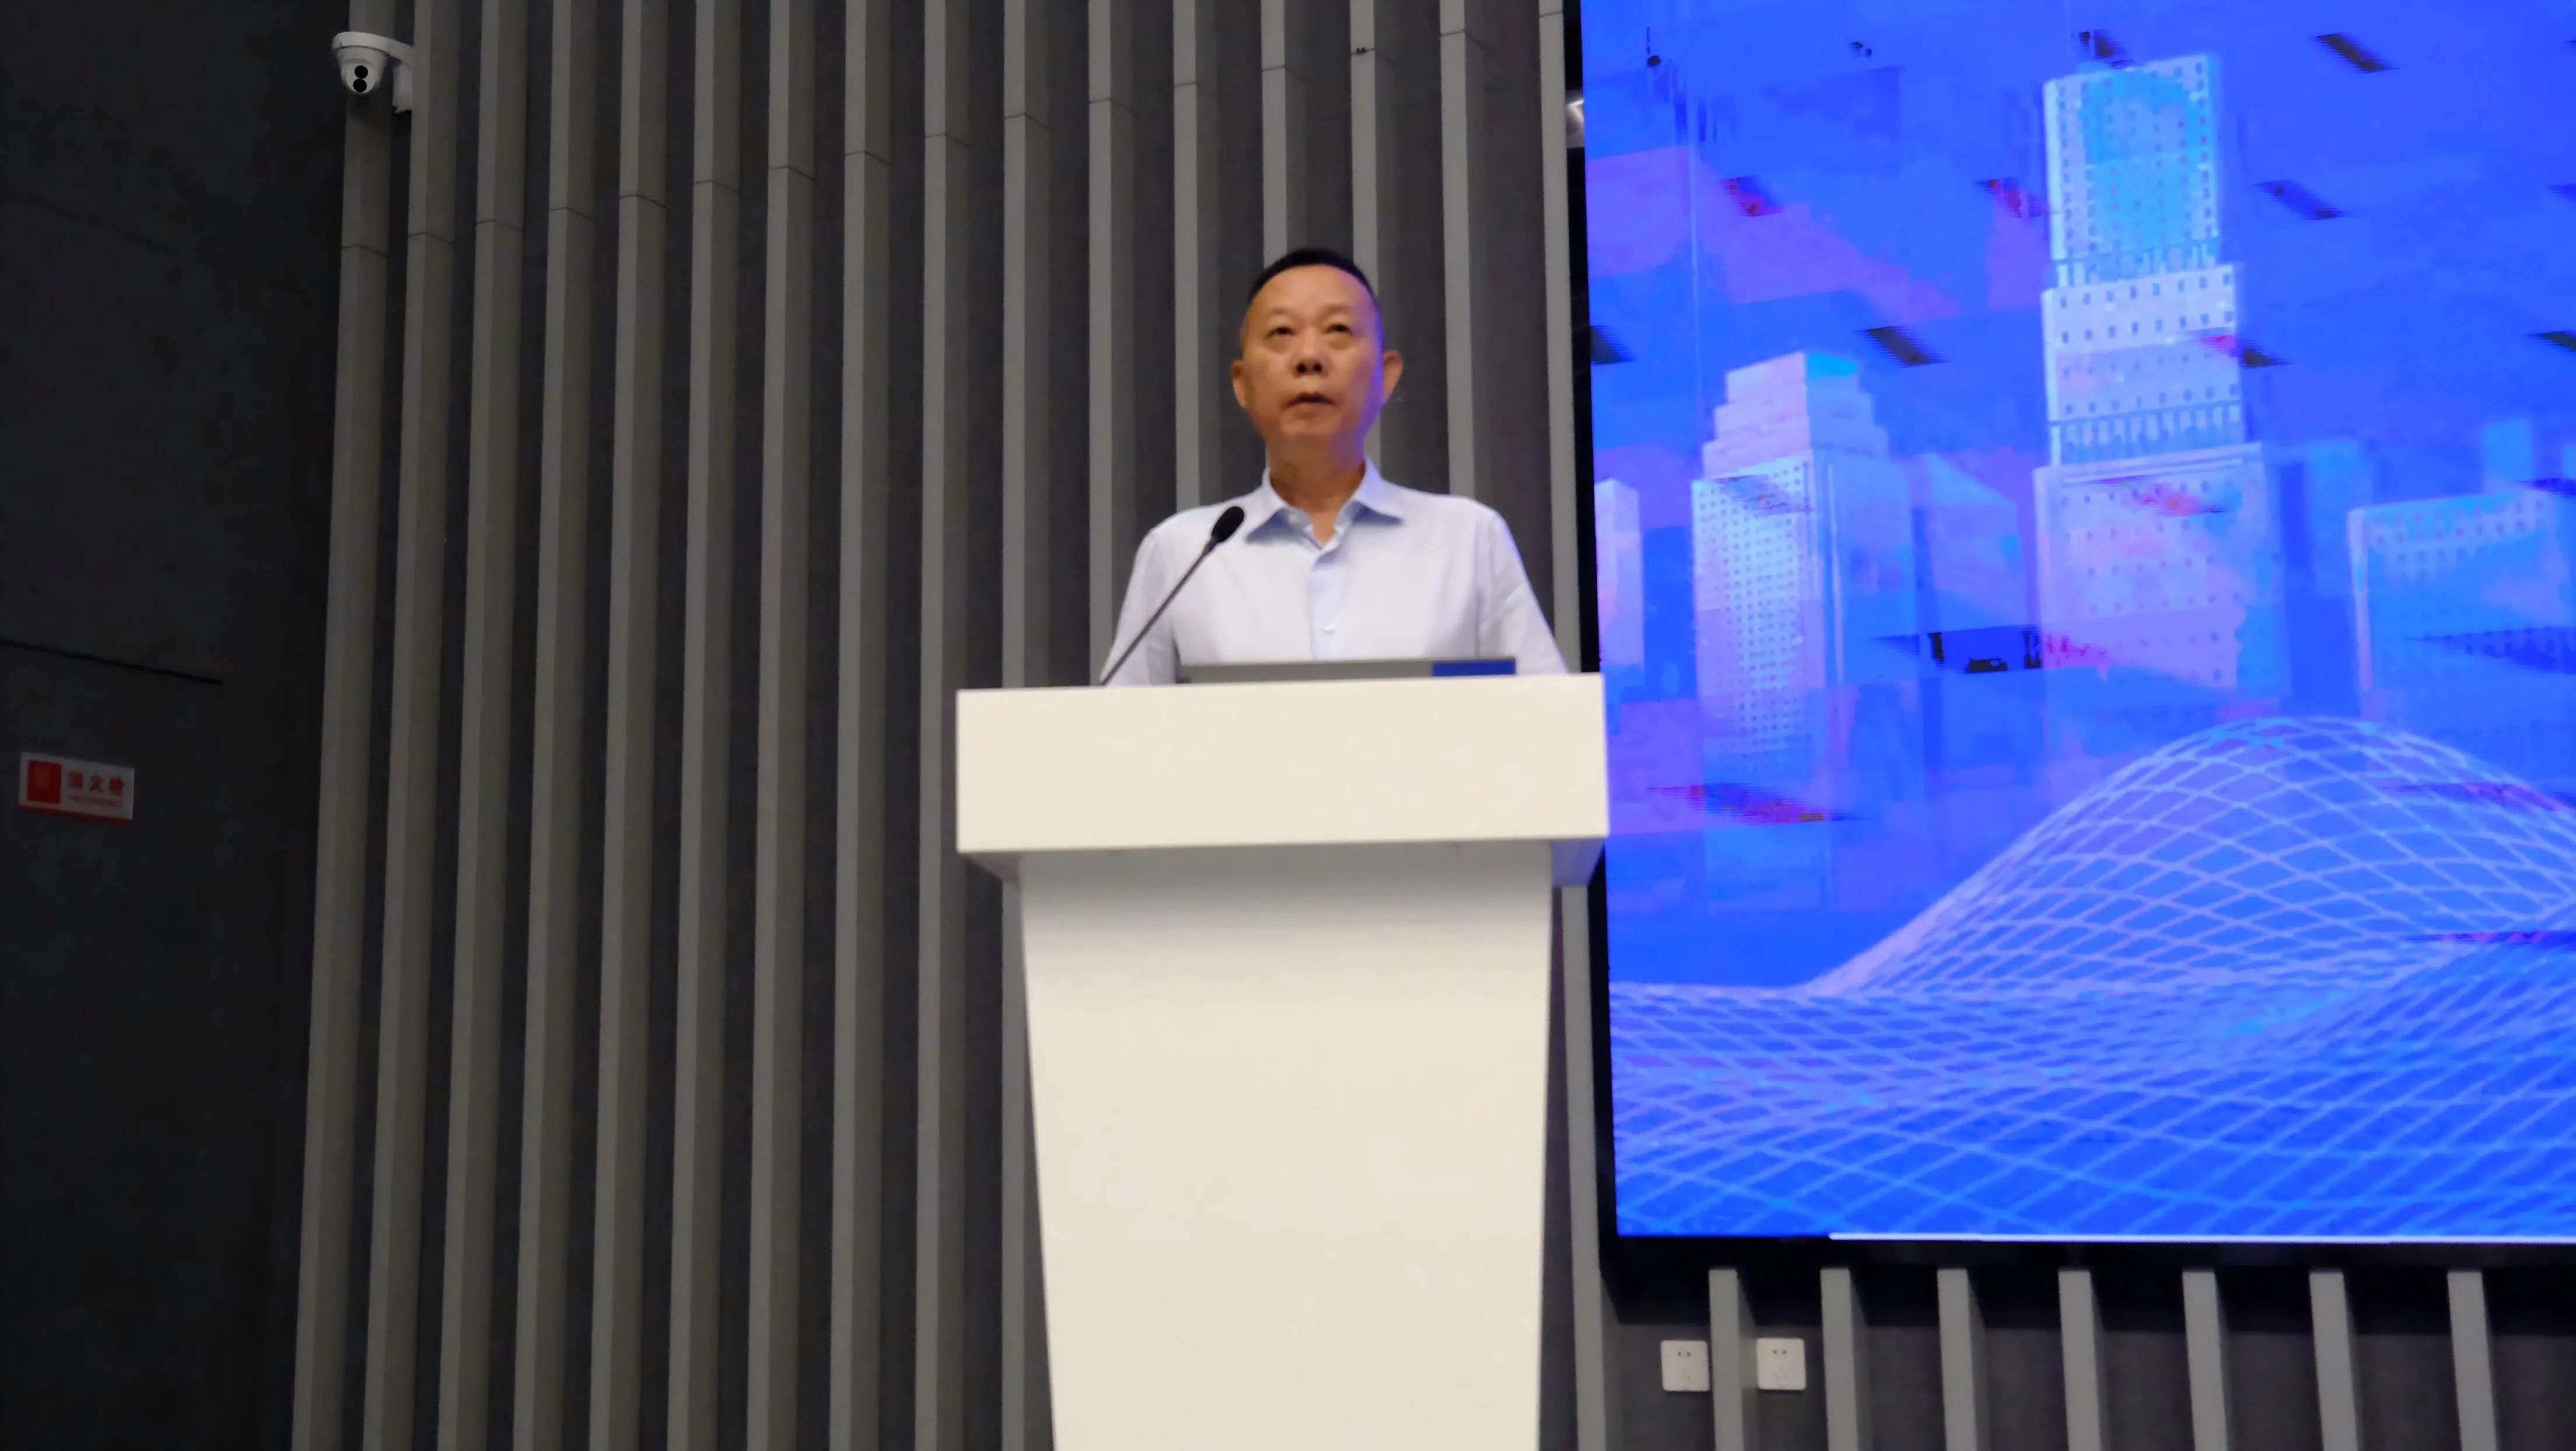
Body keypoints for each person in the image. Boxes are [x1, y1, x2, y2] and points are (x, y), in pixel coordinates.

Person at [1100, 247, 1566, 685]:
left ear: (1386, 376)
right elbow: (1118, 729)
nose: (1309, 358)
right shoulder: (1182, 553)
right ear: (1242, 384)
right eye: (1282, 333)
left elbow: (1550, 721)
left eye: (1338, 330)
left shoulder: (1468, 540)